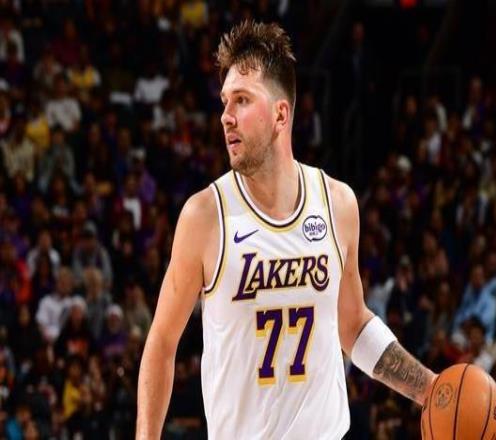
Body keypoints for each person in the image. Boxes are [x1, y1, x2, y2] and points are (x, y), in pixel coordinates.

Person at [136, 21, 437, 439]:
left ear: (281, 114)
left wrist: (430, 389)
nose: (226, 117)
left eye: (242, 100)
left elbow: (352, 325)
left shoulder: (337, 204)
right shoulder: (205, 216)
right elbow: (162, 343)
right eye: (224, 102)